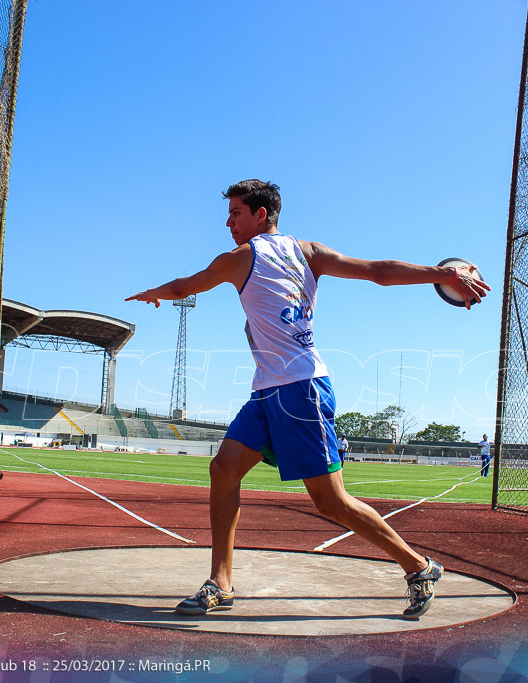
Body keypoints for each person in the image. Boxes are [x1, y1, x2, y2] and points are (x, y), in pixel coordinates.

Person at [127, 179, 489, 620]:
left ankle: (419, 567)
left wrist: (156, 293)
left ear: (261, 215)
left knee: (329, 501)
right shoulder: (310, 252)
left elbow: (187, 286)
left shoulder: (251, 256)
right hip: (267, 389)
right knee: (223, 469)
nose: (228, 222)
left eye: (236, 213)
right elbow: (378, 271)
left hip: (302, 388)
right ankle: (220, 582)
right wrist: (441, 274)